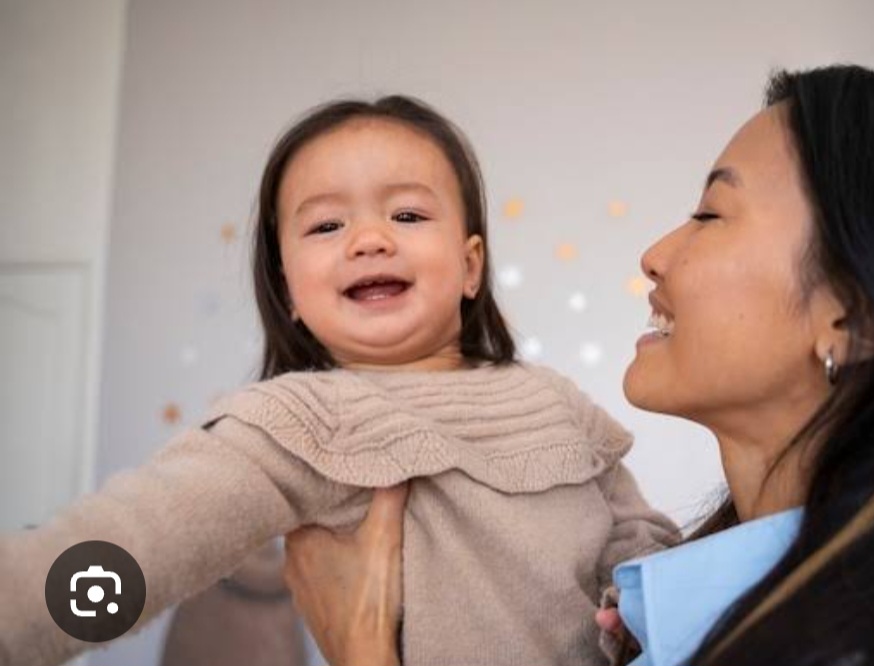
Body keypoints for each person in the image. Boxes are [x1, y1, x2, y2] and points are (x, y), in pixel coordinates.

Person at [283, 66, 874, 666]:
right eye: (323, 225)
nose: (656, 255)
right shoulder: (678, 609)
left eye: (710, 213)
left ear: (854, 314)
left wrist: (359, 649)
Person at [0, 97, 678, 666]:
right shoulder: (296, 423)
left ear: (471, 267)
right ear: (288, 287)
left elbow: (632, 526)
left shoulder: (554, 401)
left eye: (407, 215)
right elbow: (138, 544)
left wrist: (633, 597)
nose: (369, 238)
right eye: (326, 224)